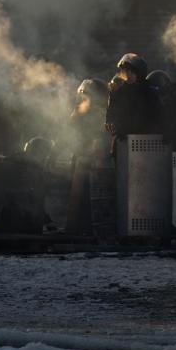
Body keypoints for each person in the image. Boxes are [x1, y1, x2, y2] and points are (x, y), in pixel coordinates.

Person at [66, 78, 109, 236]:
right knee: (81, 197)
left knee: (93, 198)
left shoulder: (101, 113)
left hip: (96, 163)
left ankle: (87, 229)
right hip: (83, 160)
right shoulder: (80, 112)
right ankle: (80, 229)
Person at [0, 136, 53, 234]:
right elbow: (36, 203)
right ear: (41, 153)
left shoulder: (5, 164)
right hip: (21, 231)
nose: (46, 158)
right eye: (46, 155)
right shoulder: (35, 172)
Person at [105, 53, 162, 139]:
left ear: (139, 73)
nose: (126, 74)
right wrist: (112, 124)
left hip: (147, 141)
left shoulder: (150, 93)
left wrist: (163, 132)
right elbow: (111, 114)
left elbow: (159, 116)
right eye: (125, 70)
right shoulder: (118, 93)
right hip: (123, 141)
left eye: (130, 71)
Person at [146, 70, 176, 152]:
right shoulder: (152, 105)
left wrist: (171, 132)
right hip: (156, 151)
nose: (162, 98)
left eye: (163, 94)